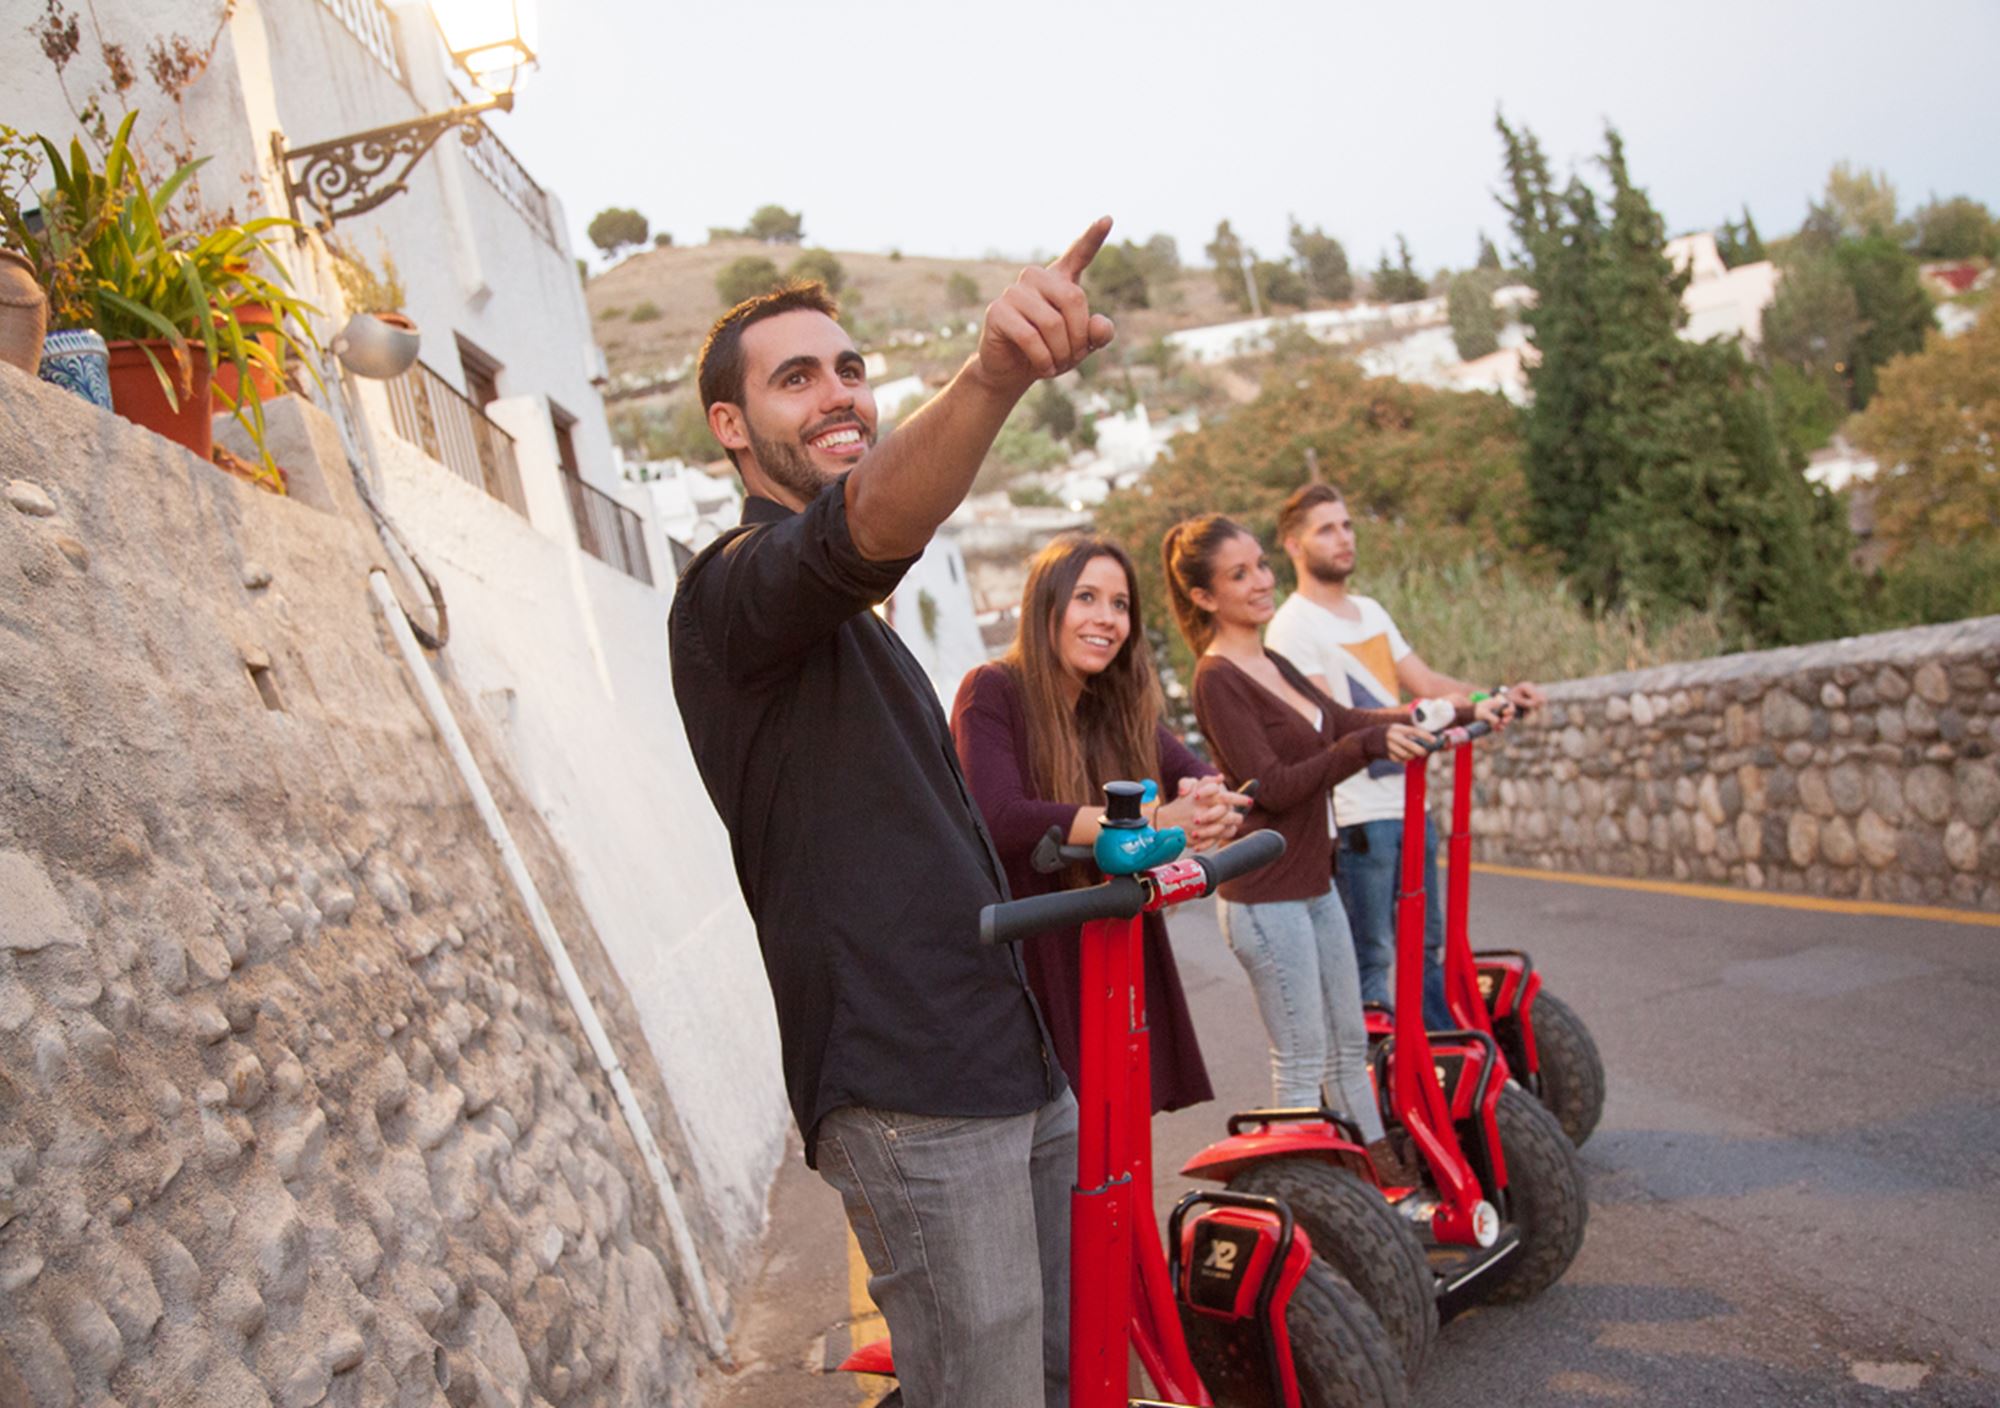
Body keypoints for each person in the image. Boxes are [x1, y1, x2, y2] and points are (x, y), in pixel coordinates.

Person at [670, 219, 1120, 1408]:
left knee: (1070, 1376)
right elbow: (859, 530)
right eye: (795, 376)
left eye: (851, 368)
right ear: (731, 425)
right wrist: (992, 377)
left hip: (1009, 1054)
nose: (837, 393)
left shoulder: (858, 641)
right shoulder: (730, 593)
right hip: (906, 1082)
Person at [1162, 514, 1491, 1181]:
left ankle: (1382, 1180)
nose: (1261, 581)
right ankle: (1313, 1196)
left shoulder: (1270, 659)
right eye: (1239, 574)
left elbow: (1344, 721)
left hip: (1314, 882)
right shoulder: (1217, 677)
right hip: (1264, 896)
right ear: (1203, 597)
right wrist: (1362, 746)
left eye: (1260, 565)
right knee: (1303, 1058)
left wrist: (1451, 709)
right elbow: (1274, 787)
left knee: (1347, 1043)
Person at [952, 532, 1244, 1115]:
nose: (1106, 619)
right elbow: (1000, 816)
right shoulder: (993, 690)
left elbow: (1197, 773)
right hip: (1038, 952)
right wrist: (1149, 819)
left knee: (1123, 1140)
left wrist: (1210, 799)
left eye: (1120, 605)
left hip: (1118, 940)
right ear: (1047, 606)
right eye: (1087, 597)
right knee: (1066, 1158)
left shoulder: (1116, 705)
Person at [1265, 483, 1545, 1029]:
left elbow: (1427, 683)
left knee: (1427, 945)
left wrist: (1493, 697)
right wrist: (1444, 713)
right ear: (1294, 546)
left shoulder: (1369, 611)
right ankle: (1375, 1076)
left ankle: (1438, 1063)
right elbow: (1337, 719)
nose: (1344, 538)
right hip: (1357, 817)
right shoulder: (1293, 626)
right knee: (1373, 957)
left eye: (1347, 525)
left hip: (1409, 802)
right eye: (1326, 529)